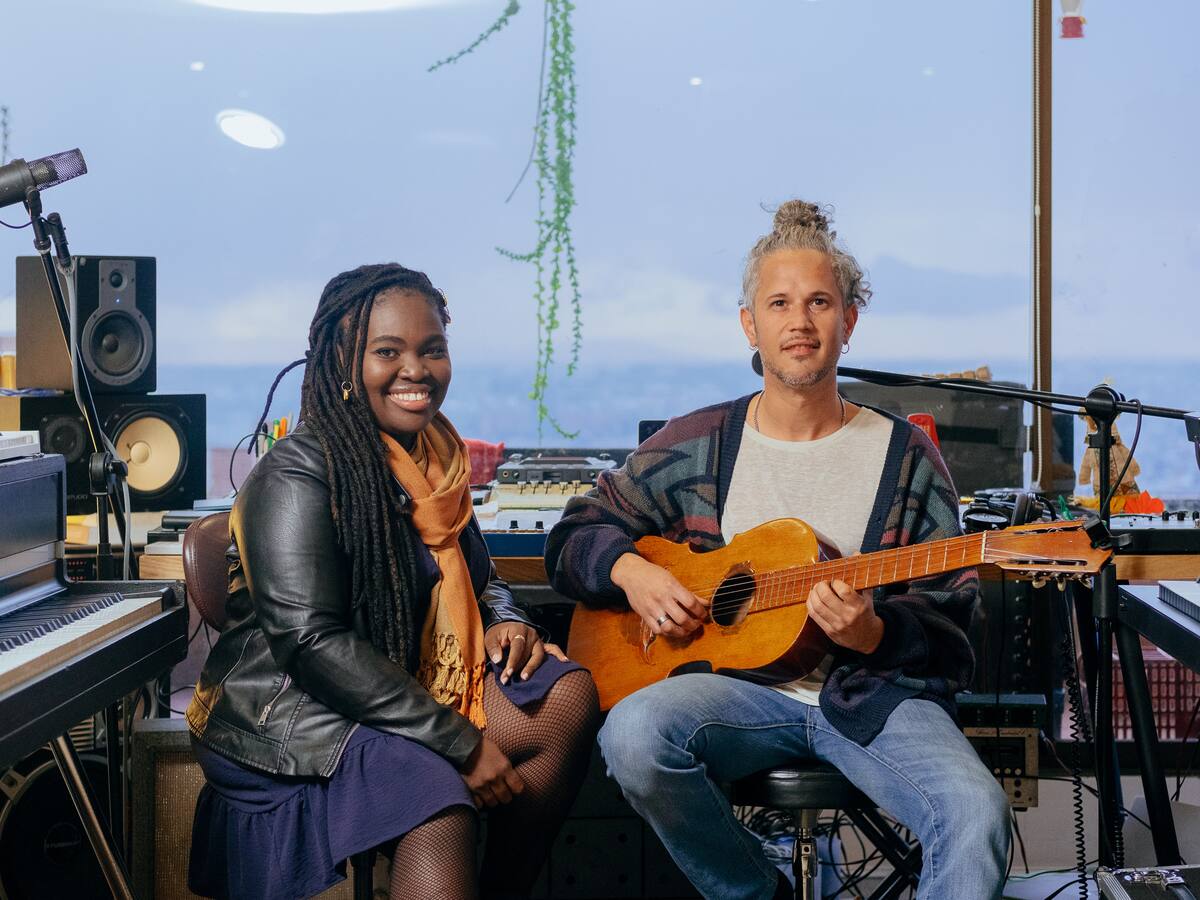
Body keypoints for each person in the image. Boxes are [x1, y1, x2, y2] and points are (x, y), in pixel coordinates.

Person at [545, 202, 1010, 899]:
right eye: (780, 303)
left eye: (820, 302)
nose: (800, 321)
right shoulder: (698, 440)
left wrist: (876, 631)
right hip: (733, 697)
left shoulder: (906, 455)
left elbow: (955, 627)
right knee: (634, 737)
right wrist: (634, 572)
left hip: (871, 698)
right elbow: (576, 531)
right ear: (750, 324)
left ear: (848, 323)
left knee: (978, 814)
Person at [187, 263, 599, 900]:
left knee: (564, 700)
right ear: (344, 361)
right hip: (295, 713)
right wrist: (459, 742)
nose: (417, 369)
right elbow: (310, 642)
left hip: (396, 689)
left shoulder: (433, 461)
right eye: (388, 352)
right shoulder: (297, 476)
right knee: (430, 789)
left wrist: (508, 619)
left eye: (432, 350)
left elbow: (481, 580)